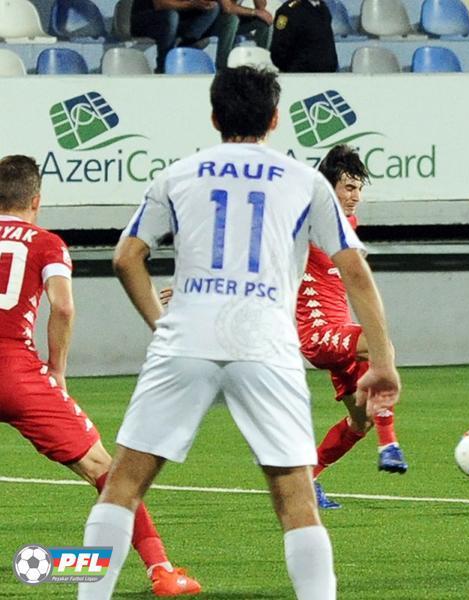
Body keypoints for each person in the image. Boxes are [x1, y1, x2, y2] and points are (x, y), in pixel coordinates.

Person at [78, 67, 400, 600]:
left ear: (214, 117)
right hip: (265, 342)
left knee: (124, 485)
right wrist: (383, 361)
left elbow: (126, 258)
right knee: (296, 499)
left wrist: (162, 325)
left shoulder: (178, 175)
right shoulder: (305, 181)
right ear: (274, 119)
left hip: (186, 338)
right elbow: (355, 271)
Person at [0, 155, 201, 596]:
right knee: (106, 469)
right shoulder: (46, 242)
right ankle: (162, 571)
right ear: (36, 200)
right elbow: (63, 306)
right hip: (16, 372)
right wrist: (57, 369)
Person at [298, 145, 407, 511]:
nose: (355, 195)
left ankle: (307, 481)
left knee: (359, 423)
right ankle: (389, 444)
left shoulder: (348, 224)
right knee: (380, 345)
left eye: (358, 187)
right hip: (318, 334)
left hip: (340, 335)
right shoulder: (304, 221)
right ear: (327, 187)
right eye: (347, 187)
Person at [131, 0, 221, 73]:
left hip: (177, 19)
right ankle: (164, 66)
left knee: (213, 8)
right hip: (148, 18)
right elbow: (160, 4)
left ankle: (185, 46)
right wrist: (192, 4)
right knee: (171, 16)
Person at [269, 0, 338, 73]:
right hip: (300, 76)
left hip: (327, 75)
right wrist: (294, 70)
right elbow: (278, 51)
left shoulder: (323, 9)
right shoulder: (288, 11)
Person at [213, 0, 274, 70]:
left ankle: (262, 64)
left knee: (266, 20)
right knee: (233, 19)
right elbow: (227, 8)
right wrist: (255, 12)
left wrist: (259, 12)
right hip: (212, 21)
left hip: (233, 18)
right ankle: (223, 68)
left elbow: (261, 7)